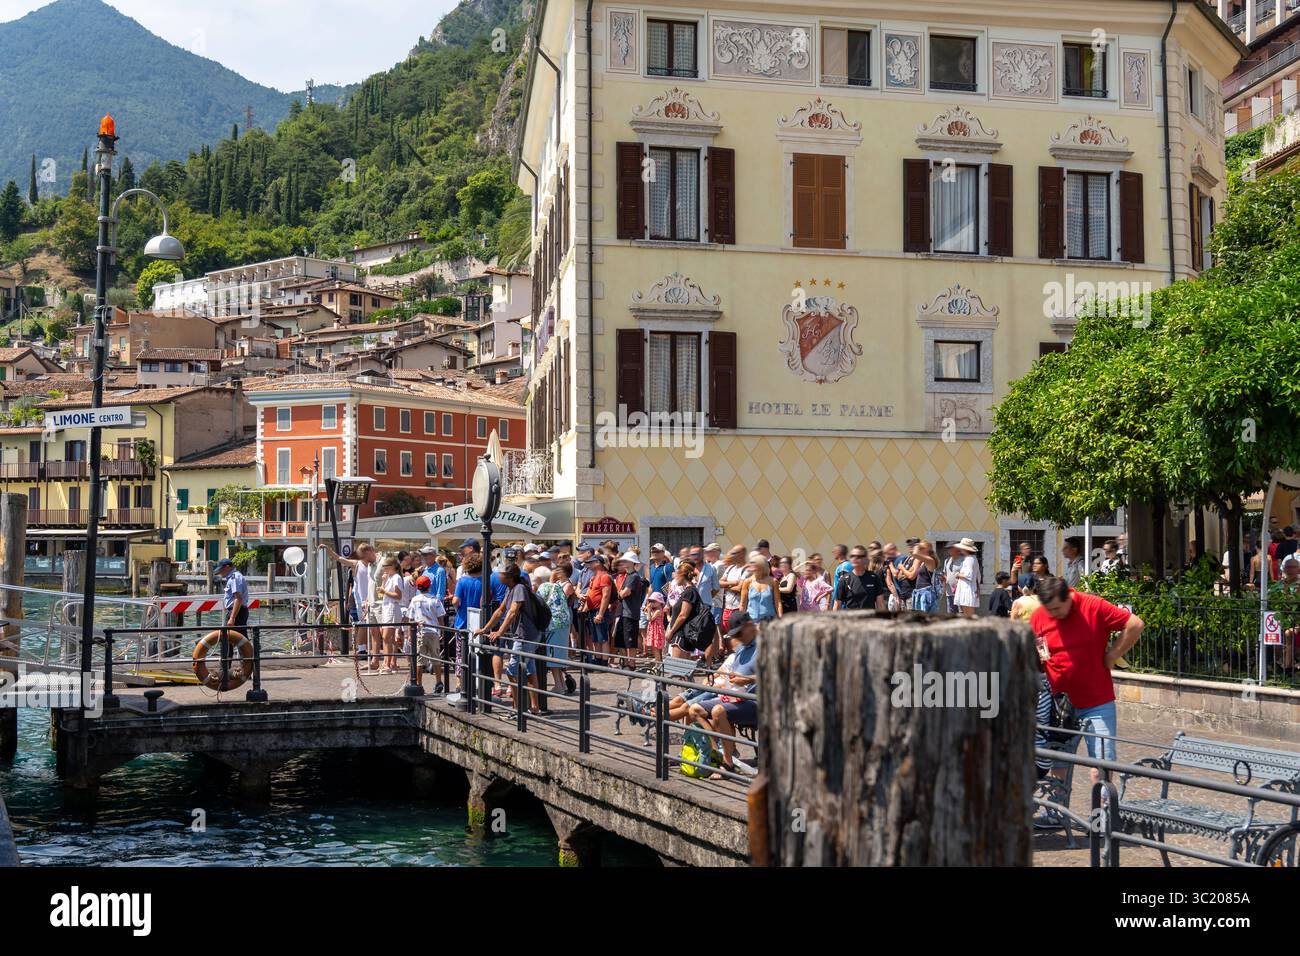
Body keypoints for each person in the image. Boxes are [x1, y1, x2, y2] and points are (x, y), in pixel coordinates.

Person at [1030, 576, 1145, 785]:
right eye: (1049, 610)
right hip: (1059, 702)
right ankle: (1056, 812)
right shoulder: (1040, 615)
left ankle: (1101, 814)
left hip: (1096, 701)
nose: (1053, 615)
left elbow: (1135, 624)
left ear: (1068, 597)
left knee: (1102, 764)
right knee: (1059, 762)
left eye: (1057, 609)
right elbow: (1037, 649)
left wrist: (1112, 655)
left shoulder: (1093, 606)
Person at [687, 611, 759, 778]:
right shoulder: (742, 648)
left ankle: (728, 764)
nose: (737, 638)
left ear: (749, 626)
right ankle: (718, 753)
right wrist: (726, 677)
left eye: (739, 633)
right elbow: (730, 670)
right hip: (734, 696)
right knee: (694, 709)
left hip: (757, 702)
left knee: (718, 711)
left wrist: (747, 679)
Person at [476, 563, 541, 714]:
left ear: (509, 577)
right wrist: (485, 628)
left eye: (501, 574)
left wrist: (499, 631)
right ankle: (534, 707)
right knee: (530, 670)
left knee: (512, 671)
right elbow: (500, 611)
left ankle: (518, 708)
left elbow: (512, 612)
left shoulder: (519, 588)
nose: (498, 576)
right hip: (525, 635)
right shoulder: (510, 589)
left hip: (526, 636)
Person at [324, 541, 377, 660]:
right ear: (366, 552)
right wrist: (328, 550)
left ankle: (364, 649)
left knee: (370, 626)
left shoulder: (373, 565)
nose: (373, 553)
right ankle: (361, 649)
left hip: (372, 599)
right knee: (363, 625)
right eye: (371, 551)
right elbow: (339, 558)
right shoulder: (357, 564)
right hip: (362, 600)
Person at [537, 563, 575, 694]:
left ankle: (559, 685)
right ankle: (561, 684)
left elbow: (539, 604)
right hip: (563, 623)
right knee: (558, 654)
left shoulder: (544, 587)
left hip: (553, 624)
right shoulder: (557, 586)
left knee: (552, 655)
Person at [408, 575, 446, 691]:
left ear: (418, 588)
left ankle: (419, 684)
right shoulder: (435, 599)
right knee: (436, 658)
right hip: (433, 632)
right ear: (429, 586)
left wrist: (410, 634)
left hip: (420, 633)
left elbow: (411, 619)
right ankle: (439, 682)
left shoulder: (414, 600)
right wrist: (442, 631)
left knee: (419, 660)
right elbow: (440, 618)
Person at [613, 551, 646, 669]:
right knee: (621, 638)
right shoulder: (628, 576)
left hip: (630, 613)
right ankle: (626, 662)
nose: (622, 562)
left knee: (630, 640)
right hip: (623, 612)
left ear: (632, 563)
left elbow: (623, 593)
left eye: (625, 560)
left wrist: (620, 593)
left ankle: (631, 663)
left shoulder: (634, 576)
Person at [583, 553, 614, 664]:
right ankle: (598, 659)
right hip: (592, 611)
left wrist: (600, 614)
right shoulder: (594, 577)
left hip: (599, 611)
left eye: (591, 563)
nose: (589, 565)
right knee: (596, 638)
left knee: (603, 638)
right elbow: (591, 593)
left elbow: (606, 596)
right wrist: (585, 608)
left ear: (598, 563)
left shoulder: (604, 576)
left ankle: (604, 661)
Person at [833, 545, 885, 611]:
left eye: (858, 556)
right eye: (852, 556)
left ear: (865, 559)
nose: (855, 558)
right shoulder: (844, 580)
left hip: (869, 619)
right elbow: (837, 605)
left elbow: (880, 604)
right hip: (850, 620)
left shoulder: (874, 578)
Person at [376, 556, 403, 674]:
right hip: (387, 607)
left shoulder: (396, 577)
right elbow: (382, 593)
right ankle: (391, 662)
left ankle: (388, 663)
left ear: (392, 567)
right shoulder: (390, 577)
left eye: (385, 567)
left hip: (392, 607)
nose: (383, 569)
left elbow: (398, 595)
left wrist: (384, 591)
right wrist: (383, 581)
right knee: (388, 637)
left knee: (387, 637)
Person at [739, 552, 781, 628]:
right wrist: (741, 623)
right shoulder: (747, 582)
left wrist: (780, 620)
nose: (751, 567)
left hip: (770, 622)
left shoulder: (773, 581)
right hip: (751, 622)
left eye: (754, 565)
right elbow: (742, 604)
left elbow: (778, 603)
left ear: (761, 566)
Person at [898, 540, 939, 612]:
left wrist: (917, 545)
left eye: (921, 548)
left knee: (925, 616)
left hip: (926, 592)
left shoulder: (930, 560)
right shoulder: (923, 562)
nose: (919, 550)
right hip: (919, 592)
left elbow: (915, 553)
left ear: (926, 550)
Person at [945, 539, 981, 618]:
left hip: (967, 589)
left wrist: (958, 574)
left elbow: (969, 575)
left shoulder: (969, 559)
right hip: (967, 588)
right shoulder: (971, 558)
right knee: (966, 614)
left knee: (967, 614)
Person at [717, 544, 748, 634]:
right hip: (727, 607)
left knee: (738, 634)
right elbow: (719, 583)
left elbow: (739, 588)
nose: (731, 555)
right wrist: (733, 583)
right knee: (727, 634)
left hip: (739, 607)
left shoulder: (746, 569)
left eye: (734, 553)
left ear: (741, 554)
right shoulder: (730, 568)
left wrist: (726, 587)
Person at [214, 557, 249, 629]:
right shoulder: (233, 577)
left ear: (227, 567)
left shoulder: (234, 578)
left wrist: (232, 618)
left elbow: (238, 598)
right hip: (236, 612)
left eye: (221, 570)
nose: (220, 573)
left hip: (237, 612)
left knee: (235, 637)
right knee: (237, 637)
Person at [644, 591, 668, 664]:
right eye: (650, 601)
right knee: (656, 648)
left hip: (656, 631)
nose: (651, 603)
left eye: (654, 601)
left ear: (660, 602)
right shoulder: (656, 610)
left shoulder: (658, 611)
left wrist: (648, 611)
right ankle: (659, 663)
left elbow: (649, 619)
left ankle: (658, 664)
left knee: (656, 648)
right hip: (655, 630)